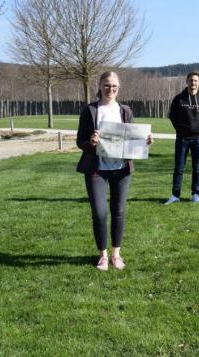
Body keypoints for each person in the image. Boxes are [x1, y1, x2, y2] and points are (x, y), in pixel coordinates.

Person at [76, 71, 153, 271]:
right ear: (100, 86)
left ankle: (116, 255)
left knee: (118, 211)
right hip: (96, 169)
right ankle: (103, 255)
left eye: (115, 86)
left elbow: (134, 138)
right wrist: (91, 142)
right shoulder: (90, 111)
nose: (111, 89)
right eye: (107, 85)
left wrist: (146, 141)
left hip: (121, 169)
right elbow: (80, 141)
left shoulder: (125, 111)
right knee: (100, 212)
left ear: (119, 88)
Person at [165, 72, 199, 204]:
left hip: (198, 139)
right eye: (191, 80)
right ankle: (175, 195)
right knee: (179, 168)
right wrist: (181, 129)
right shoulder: (179, 99)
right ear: (187, 82)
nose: (193, 83)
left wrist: (198, 127)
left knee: (197, 168)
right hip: (182, 139)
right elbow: (172, 116)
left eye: (196, 81)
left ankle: (195, 194)